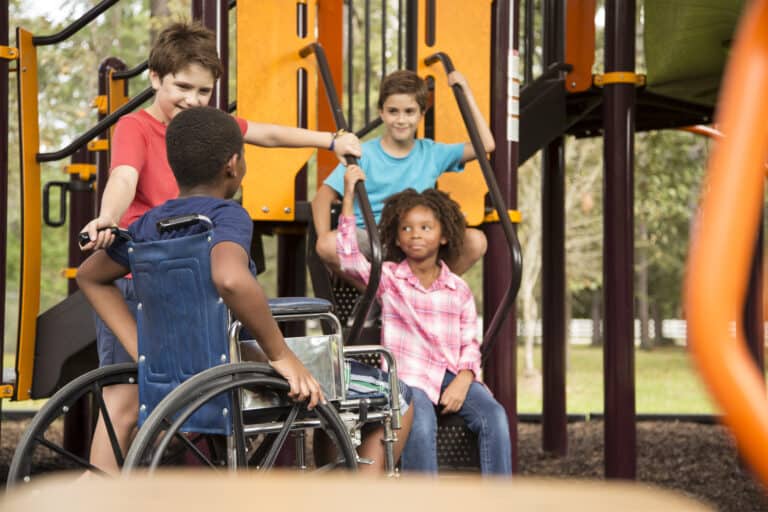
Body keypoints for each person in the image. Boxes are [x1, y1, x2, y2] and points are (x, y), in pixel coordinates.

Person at [77, 21, 359, 473]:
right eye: (181, 86)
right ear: (154, 79)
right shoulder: (137, 126)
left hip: (194, 277)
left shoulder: (207, 130)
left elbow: (265, 133)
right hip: (140, 278)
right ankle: (99, 493)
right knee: (124, 402)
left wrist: (328, 140)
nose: (192, 99)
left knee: (213, 382)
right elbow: (124, 176)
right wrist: (109, 218)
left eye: (204, 91)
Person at [336, 165, 511, 476]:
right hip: (407, 377)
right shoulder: (389, 279)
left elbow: (470, 342)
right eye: (406, 229)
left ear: (444, 236)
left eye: (426, 228)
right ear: (397, 239)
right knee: (421, 419)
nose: (415, 234)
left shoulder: (457, 289)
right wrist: (349, 195)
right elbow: (348, 259)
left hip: (450, 374)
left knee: (493, 415)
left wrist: (466, 377)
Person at [313, 69, 494, 278]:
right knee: (326, 244)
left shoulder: (432, 153)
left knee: (476, 240)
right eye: (393, 111)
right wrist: (325, 239)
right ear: (381, 112)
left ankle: (425, 290)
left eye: (409, 112)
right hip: (370, 239)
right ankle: (385, 295)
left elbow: (486, 144)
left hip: (414, 236)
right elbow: (321, 199)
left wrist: (466, 93)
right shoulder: (363, 154)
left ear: (421, 114)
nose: (401, 120)